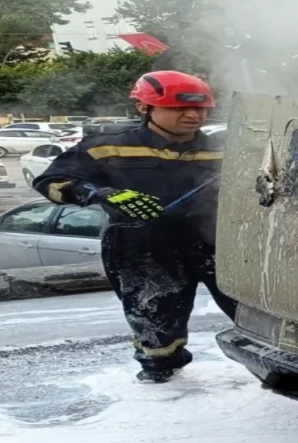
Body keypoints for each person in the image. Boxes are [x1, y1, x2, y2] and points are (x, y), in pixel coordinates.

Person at [33, 71, 235, 383]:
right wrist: (101, 194)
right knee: (156, 323)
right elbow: (50, 182)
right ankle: (161, 382)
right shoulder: (106, 148)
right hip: (142, 247)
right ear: (144, 108)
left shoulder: (226, 148)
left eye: (200, 108)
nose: (193, 115)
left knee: (257, 313)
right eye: (179, 108)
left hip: (217, 242)